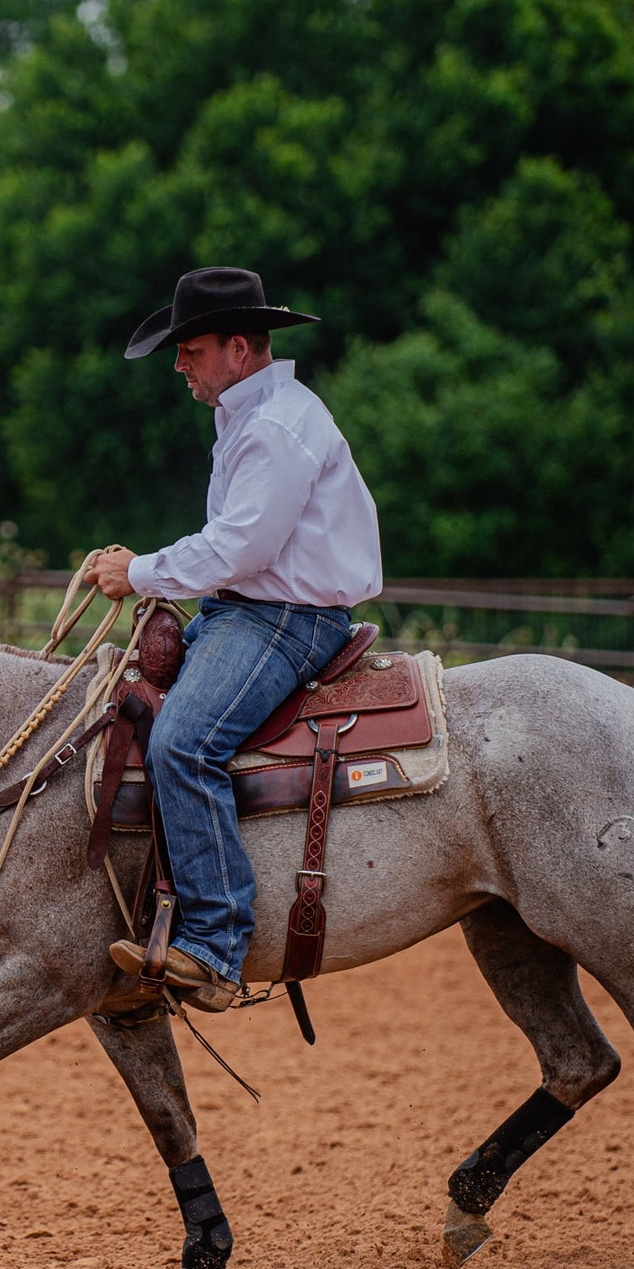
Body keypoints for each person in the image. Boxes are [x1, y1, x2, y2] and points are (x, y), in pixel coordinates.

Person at [85, 266, 383, 1010]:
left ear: (240, 349)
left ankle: (215, 947)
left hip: (281, 619)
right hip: (253, 610)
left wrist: (141, 571)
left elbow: (239, 549)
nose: (179, 363)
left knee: (182, 743)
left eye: (191, 349)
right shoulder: (256, 416)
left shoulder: (276, 428)